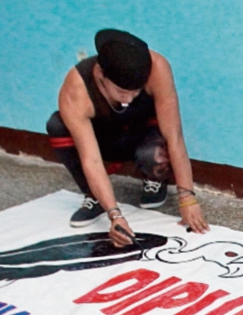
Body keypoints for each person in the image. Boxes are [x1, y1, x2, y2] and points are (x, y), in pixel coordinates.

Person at [47, 29, 209, 243]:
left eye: (136, 91)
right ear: (100, 75)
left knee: (155, 151)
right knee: (57, 125)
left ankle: (154, 179)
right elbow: (91, 159)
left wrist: (187, 198)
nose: (130, 98)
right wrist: (114, 215)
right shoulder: (76, 90)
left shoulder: (158, 68)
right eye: (122, 92)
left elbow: (174, 136)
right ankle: (94, 195)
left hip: (143, 134)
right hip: (104, 138)